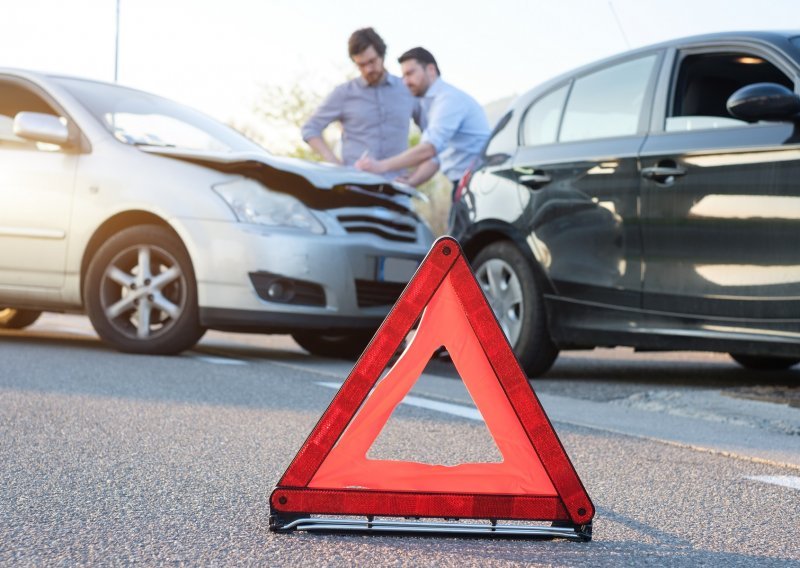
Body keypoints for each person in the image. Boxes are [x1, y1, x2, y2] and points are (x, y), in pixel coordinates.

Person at [355, 47, 491, 191]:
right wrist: (412, 181)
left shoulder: (448, 100)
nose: (405, 82)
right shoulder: (432, 104)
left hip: (479, 183)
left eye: (410, 73)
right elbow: (436, 157)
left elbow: (429, 149)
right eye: (403, 76)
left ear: (431, 70)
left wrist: (380, 166)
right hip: (465, 183)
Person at [301, 28, 416, 179]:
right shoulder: (344, 93)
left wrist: (415, 177)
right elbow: (310, 129)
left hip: (397, 188)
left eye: (372, 61)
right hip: (356, 187)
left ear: (382, 55)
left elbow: (431, 137)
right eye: (361, 65)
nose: (368, 69)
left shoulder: (407, 89)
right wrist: (336, 165)